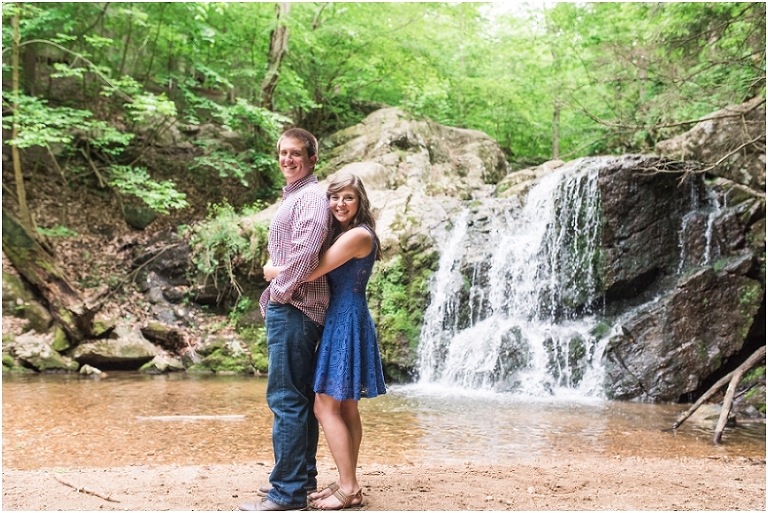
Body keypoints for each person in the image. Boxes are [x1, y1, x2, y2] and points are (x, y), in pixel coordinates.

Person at [264, 173, 387, 510]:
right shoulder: (350, 234)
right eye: (334, 198)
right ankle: (350, 481)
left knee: (323, 405)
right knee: (346, 405)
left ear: (360, 201)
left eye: (348, 197)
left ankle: (348, 488)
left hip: (346, 320)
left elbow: (310, 270)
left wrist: (274, 270)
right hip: (346, 318)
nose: (339, 204)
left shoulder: (358, 235)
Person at [239, 128, 330, 512]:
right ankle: (302, 481)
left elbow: (307, 251)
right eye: (282, 153)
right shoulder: (298, 195)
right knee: (300, 399)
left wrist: (279, 286)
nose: (287, 159)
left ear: (312, 159)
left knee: (285, 400)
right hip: (299, 308)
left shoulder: (309, 196)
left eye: (295, 153)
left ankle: (287, 493)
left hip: (295, 308)